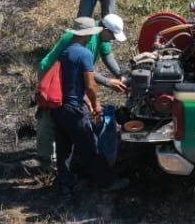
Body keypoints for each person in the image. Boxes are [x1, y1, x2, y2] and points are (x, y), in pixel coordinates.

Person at [34, 14, 128, 169]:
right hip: (51, 73)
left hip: (69, 74)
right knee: (49, 113)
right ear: (104, 29)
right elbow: (86, 72)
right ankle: (45, 158)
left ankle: (62, 156)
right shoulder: (88, 41)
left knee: (62, 115)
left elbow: (107, 55)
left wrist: (120, 75)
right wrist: (107, 83)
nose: (112, 39)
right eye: (112, 35)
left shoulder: (100, 36)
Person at [52, 17, 129, 193]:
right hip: (74, 109)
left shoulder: (66, 51)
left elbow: (70, 82)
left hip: (58, 107)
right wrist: (96, 105)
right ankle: (107, 183)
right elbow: (90, 84)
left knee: (64, 147)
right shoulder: (84, 54)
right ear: (88, 34)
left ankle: (65, 184)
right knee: (91, 147)